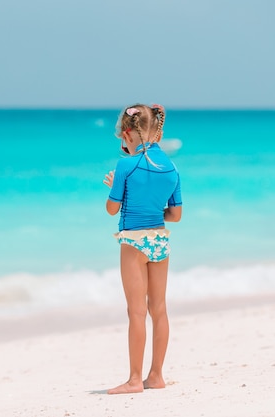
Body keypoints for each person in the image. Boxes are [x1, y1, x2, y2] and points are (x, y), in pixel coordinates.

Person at [102, 103, 182, 395]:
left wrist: (114, 186)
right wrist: (151, 211)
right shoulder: (171, 167)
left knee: (136, 312)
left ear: (128, 134)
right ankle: (156, 376)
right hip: (160, 239)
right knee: (158, 309)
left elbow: (112, 209)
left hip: (134, 241)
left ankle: (135, 380)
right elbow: (175, 215)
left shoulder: (125, 165)